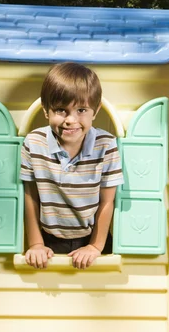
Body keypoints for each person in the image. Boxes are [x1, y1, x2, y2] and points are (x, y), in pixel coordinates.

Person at [20, 62, 123, 270]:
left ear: (95, 111)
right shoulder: (34, 143)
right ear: (46, 111)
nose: (70, 120)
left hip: (92, 237)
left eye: (81, 110)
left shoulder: (106, 145)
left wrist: (95, 246)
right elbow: (30, 196)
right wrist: (36, 243)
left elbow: (107, 202)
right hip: (49, 239)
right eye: (61, 110)